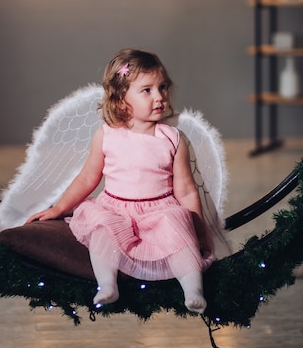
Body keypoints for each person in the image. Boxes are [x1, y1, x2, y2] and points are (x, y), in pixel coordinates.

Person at [26, 48, 214, 313]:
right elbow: (87, 178)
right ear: (122, 99)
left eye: (162, 87)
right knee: (102, 230)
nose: (159, 97)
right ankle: (107, 285)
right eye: (146, 90)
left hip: (159, 210)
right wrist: (58, 208)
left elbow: (185, 189)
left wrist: (198, 230)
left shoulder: (172, 138)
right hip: (115, 208)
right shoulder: (107, 135)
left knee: (178, 232)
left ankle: (193, 289)